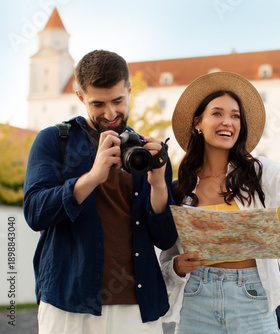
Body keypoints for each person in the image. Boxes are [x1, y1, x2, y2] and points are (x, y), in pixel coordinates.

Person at [159, 71, 280, 333]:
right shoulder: (180, 187)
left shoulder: (257, 173)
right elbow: (166, 261)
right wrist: (177, 268)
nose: (227, 121)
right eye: (217, 113)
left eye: (235, 116)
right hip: (196, 298)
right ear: (198, 123)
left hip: (252, 297)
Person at [23, 50, 178, 334]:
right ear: (80, 97)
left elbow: (166, 238)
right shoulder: (52, 141)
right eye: (98, 103)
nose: (110, 113)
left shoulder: (148, 154)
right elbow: (35, 213)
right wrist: (92, 178)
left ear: (129, 90)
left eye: (118, 100)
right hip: (68, 302)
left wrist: (158, 184)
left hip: (137, 307)